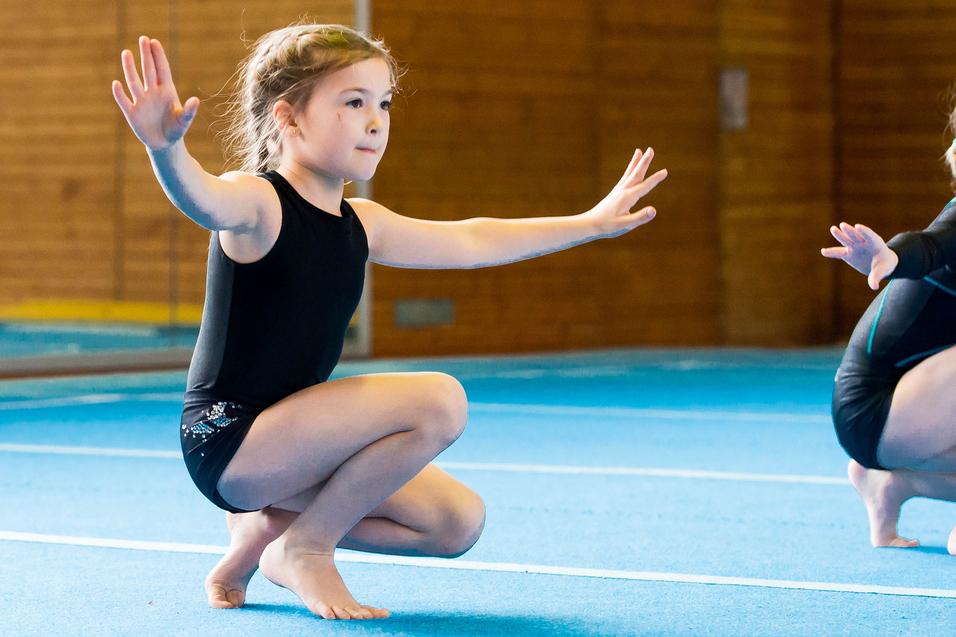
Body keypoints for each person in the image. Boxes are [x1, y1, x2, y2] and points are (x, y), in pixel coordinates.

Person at [111, 23, 668, 620]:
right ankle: (308, 546)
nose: (376, 121)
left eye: (384, 103)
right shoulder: (258, 202)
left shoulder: (361, 221)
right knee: (438, 400)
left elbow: (474, 238)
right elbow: (202, 198)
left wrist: (590, 222)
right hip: (231, 442)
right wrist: (166, 150)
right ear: (289, 118)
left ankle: (266, 535)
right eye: (353, 102)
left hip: (296, 446)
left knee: (456, 524)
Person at [822, 124, 956, 553]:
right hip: (873, 404)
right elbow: (929, 247)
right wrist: (891, 257)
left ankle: (888, 487)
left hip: (910, 403)